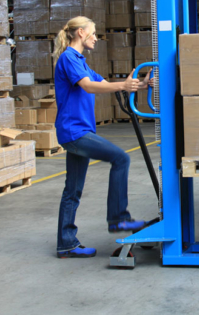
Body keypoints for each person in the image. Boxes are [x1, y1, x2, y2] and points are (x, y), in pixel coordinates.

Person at [53, 16, 152, 259]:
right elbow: (89, 86)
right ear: (80, 33)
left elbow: (106, 83)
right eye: (93, 33)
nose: (96, 38)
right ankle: (118, 218)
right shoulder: (69, 58)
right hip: (75, 132)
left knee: (72, 190)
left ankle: (66, 244)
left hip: (78, 131)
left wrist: (143, 83)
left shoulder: (81, 62)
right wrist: (123, 86)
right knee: (120, 158)